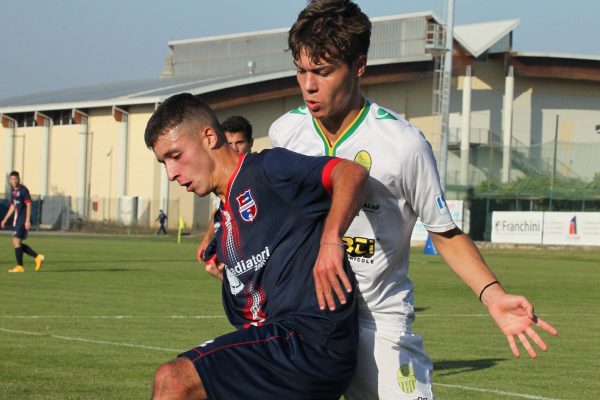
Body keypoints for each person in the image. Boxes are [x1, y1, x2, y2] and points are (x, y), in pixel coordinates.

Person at [269, 1, 558, 399]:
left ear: (358, 66)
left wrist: (493, 295)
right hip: (306, 320)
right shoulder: (285, 132)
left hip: (378, 325)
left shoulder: (403, 145)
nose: (308, 85)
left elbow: (444, 232)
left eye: (322, 71)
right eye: (301, 71)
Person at [145, 93, 368, 399]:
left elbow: (351, 173)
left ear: (209, 137)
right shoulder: (223, 220)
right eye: (163, 163)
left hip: (309, 341)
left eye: (175, 155)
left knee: (173, 379)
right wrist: (229, 279)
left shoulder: (267, 168)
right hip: (281, 345)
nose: (171, 173)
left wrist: (331, 241)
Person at [196, 115, 253, 264]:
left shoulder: (261, 171)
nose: (234, 148)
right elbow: (219, 209)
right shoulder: (223, 175)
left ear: (250, 143)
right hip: (236, 246)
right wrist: (207, 238)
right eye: (230, 143)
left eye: (239, 142)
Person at [1, 171, 45, 273]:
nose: (14, 181)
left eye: (16, 179)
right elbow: (13, 206)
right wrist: (5, 218)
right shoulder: (14, 192)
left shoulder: (24, 190)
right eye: (12, 179)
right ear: (9, 180)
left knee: (16, 242)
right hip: (18, 220)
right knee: (17, 243)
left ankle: (20, 266)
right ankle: (37, 257)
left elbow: (29, 205)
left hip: (22, 219)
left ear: (19, 179)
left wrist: (27, 220)